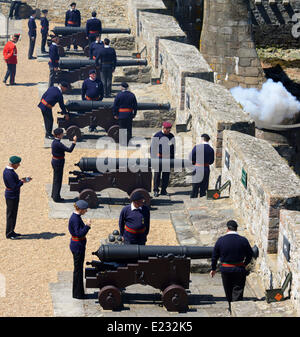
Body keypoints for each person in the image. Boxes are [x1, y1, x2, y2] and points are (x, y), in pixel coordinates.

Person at [210, 220, 253, 313]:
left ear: (227, 229)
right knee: (238, 290)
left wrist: (213, 269)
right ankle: (236, 310)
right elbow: (250, 254)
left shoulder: (221, 240)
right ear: (236, 229)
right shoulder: (243, 240)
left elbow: (214, 256)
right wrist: (245, 264)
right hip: (239, 269)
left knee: (228, 289)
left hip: (226, 269)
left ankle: (231, 308)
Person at [3, 156, 32, 239]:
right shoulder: (9, 173)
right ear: (13, 164)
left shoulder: (8, 171)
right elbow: (14, 186)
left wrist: (22, 180)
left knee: (13, 214)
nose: (19, 165)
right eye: (18, 164)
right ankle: (9, 233)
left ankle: (12, 231)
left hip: (12, 195)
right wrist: (22, 182)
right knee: (11, 214)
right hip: (12, 195)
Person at [68, 200, 91, 299]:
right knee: (78, 270)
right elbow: (79, 234)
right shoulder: (75, 219)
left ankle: (78, 292)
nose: (86, 211)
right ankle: (78, 294)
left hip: (77, 245)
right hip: (78, 246)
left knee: (78, 270)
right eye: (85, 209)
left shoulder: (76, 217)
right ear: (80, 209)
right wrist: (87, 226)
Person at [51, 128, 77, 202]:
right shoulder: (58, 143)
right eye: (62, 134)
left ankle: (54, 195)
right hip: (58, 162)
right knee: (58, 180)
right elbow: (69, 150)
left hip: (55, 161)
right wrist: (74, 142)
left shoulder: (55, 142)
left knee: (56, 179)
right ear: (58, 135)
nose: (63, 134)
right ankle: (56, 197)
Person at [151, 121, 175, 197]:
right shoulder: (157, 136)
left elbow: (173, 148)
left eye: (169, 130)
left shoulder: (171, 136)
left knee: (166, 175)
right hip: (159, 158)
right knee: (157, 175)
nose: (169, 131)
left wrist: (172, 159)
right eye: (167, 129)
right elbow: (153, 148)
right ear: (163, 128)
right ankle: (155, 190)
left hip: (167, 158)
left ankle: (164, 190)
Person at [189, 133, 215, 198]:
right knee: (204, 186)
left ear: (202, 139)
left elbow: (191, 157)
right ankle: (202, 198)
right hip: (206, 168)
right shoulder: (211, 149)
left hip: (197, 167)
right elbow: (211, 161)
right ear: (208, 140)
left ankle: (193, 198)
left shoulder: (197, 147)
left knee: (195, 186)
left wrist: (194, 162)